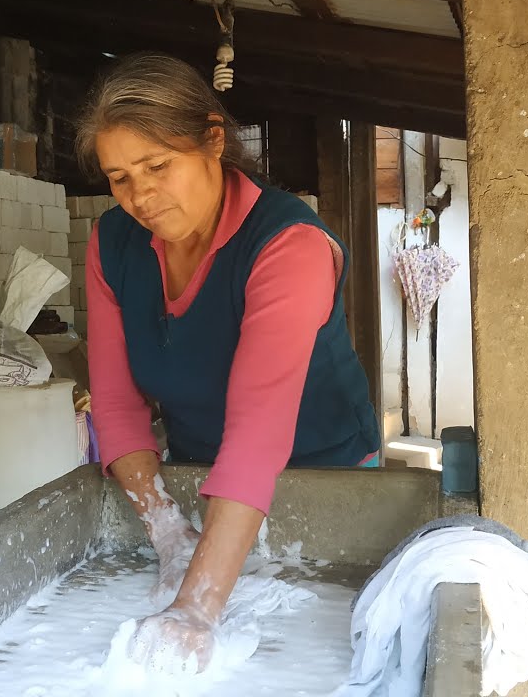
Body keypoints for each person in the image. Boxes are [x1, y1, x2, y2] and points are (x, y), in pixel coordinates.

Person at [77, 53, 380, 671]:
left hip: (326, 476)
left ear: (214, 139)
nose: (141, 196)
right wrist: (165, 529)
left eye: (158, 166)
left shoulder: (287, 245)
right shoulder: (113, 246)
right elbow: (113, 403)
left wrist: (195, 608)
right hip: (202, 475)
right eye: (119, 177)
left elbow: (258, 432)